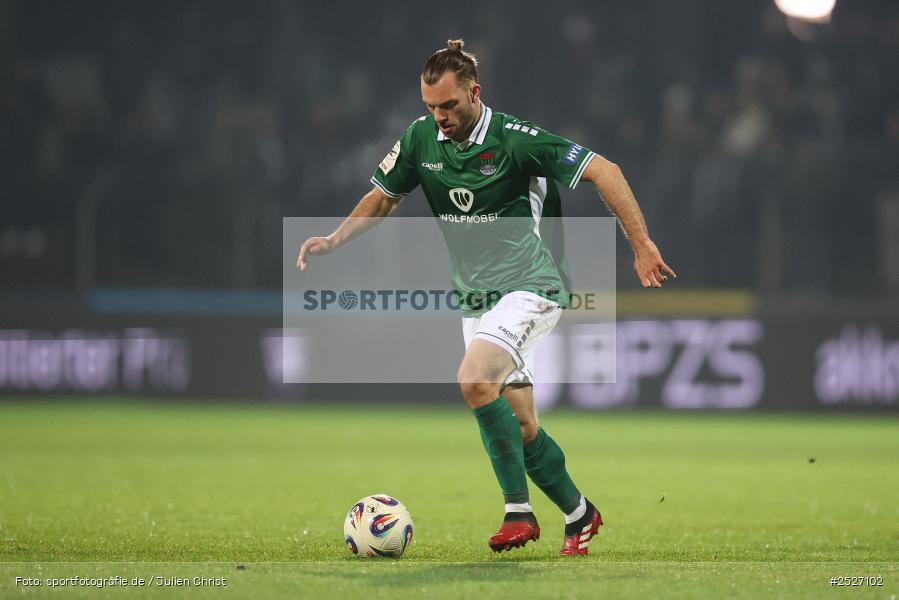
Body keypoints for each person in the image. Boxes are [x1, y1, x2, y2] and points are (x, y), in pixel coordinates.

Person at [297, 39, 675, 555]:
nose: (439, 116)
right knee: (521, 428)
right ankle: (579, 514)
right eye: (430, 107)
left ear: (474, 92)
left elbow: (605, 171)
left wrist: (641, 244)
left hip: (532, 284)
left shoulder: (516, 140)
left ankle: (518, 512)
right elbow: (383, 200)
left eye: (449, 105)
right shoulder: (419, 140)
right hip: (476, 300)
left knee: (474, 379)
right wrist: (334, 239)